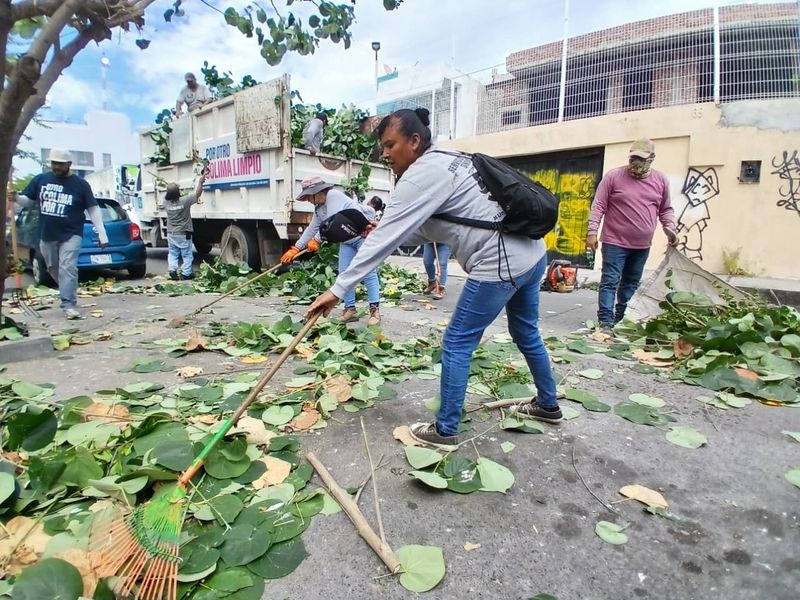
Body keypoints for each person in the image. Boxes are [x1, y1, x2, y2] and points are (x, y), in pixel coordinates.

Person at [304, 108, 560, 450]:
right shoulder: (450, 158)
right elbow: (426, 228)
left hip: (499, 263)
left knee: (457, 342)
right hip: (532, 254)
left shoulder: (420, 174)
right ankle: (548, 405)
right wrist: (380, 230)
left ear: (413, 141)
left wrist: (337, 290)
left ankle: (445, 430)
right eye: (382, 146)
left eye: (390, 144)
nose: (385, 153)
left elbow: (383, 243)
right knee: (525, 330)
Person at [586, 138, 677, 331]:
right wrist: (592, 232)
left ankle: (622, 319)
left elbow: (665, 209)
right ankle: (605, 321)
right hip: (614, 242)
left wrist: (670, 229)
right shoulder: (613, 177)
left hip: (642, 245)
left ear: (651, 158)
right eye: (633, 157)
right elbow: (598, 205)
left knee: (631, 284)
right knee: (610, 281)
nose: (636, 162)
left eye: (641, 159)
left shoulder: (660, 181)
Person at [11, 148, 108, 319]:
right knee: (52, 267)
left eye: (60, 164)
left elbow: (93, 209)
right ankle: (68, 288)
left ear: (69, 164)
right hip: (47, 234)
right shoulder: (40, 180)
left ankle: (68, 303)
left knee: (68, 267)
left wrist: (102, 233)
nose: (56, 167)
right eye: (54, 163)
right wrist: (17, 197)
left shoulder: (80, 185)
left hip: (72, 233)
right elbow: (28, 202)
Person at [281, 177, 382, 326]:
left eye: (309, 196)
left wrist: (317, 240)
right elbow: (312, 228)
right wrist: (296, 248)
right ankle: (350, 310)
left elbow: (334, 222)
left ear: (318, 192)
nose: (308, 200)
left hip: (362, 237)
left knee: (368, 272)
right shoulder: (319, 208)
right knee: (344, 273)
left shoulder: (333, 196)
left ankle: (374, 311)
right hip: (347, 241)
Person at [164, 172, 206, 280]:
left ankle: (172, 270)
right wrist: (200, 182)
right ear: (178, 193)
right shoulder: (185, 201)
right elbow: (197, 194)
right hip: (183, 233)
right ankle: (186, 273)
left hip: (171, 233)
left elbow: (169, 195)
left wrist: (172, 190)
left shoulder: (166, 203)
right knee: (186, 254)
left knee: (173, 253)